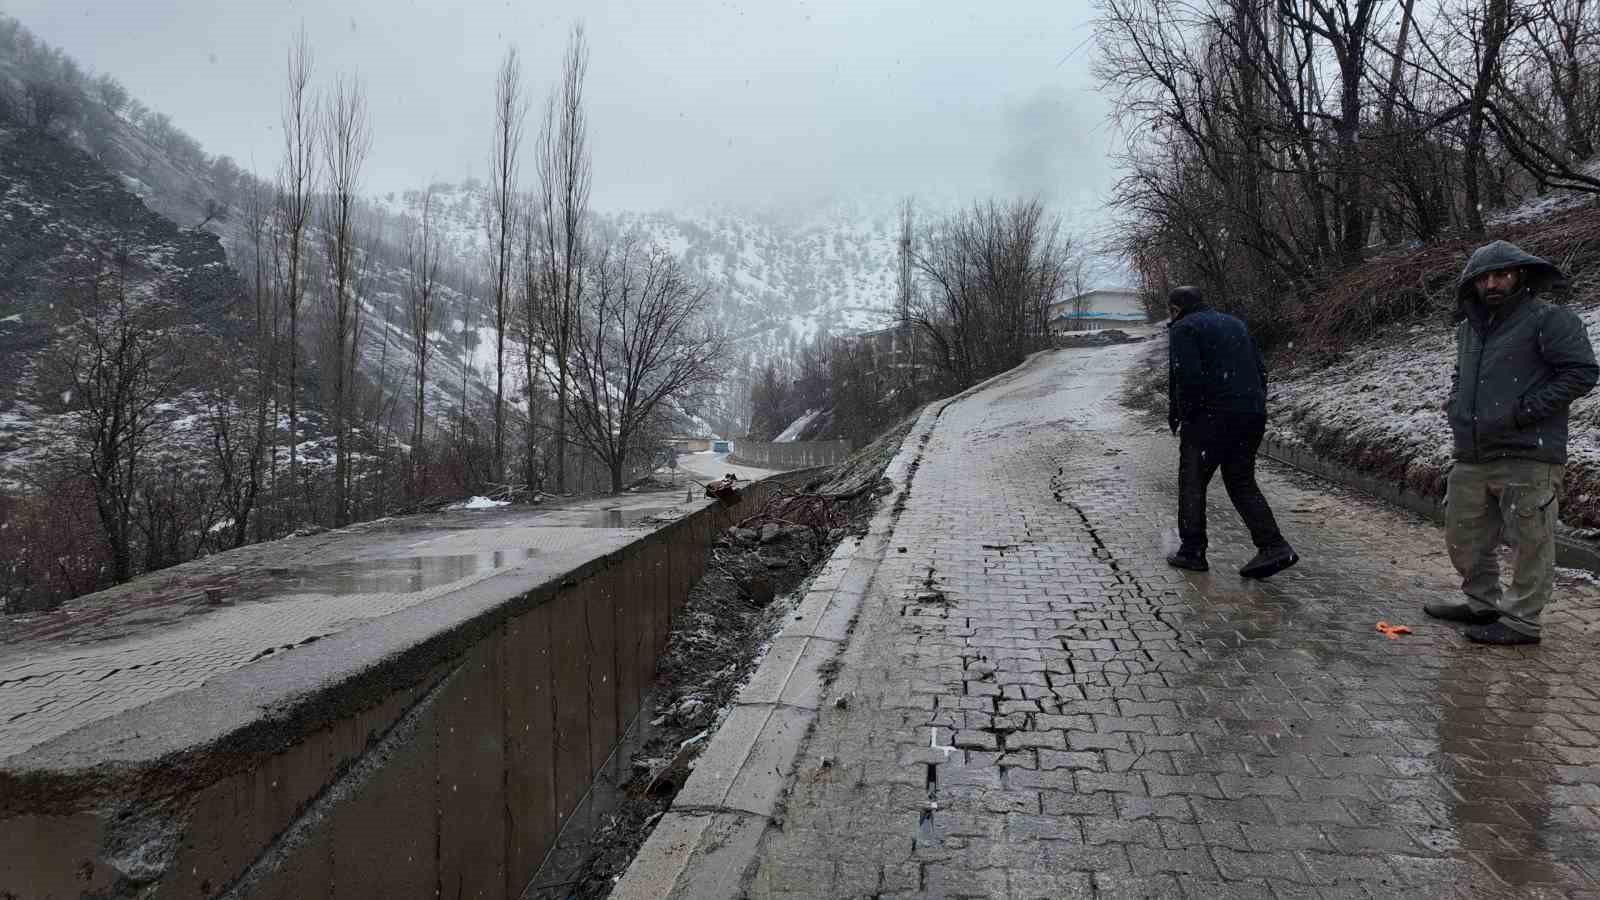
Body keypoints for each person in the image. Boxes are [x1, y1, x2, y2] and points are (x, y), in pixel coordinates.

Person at [1428, 240, 1598, 645]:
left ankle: (1522, 621)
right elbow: (1461, 375)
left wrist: (1523, 412)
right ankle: (1481, 603)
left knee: (1530, 541)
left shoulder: (1548, 319)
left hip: (1528, 452)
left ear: (1520, 275)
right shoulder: (1469, 327)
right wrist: (1456, 404)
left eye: (1501, 274)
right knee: (1463, 535)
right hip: (1472, 451)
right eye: (1484, 276)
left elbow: (1581, 372)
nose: (1493, 283)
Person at [1166, 286, 1298, 577]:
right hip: (1250, 414)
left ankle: (1192, 552)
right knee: (1241, 481)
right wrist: (1252, 403)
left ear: (1176, 308)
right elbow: (1261, 369)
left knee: (1192, 483)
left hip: (1210, 417)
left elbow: (1187, 376)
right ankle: (1273, 545)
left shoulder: (1184, 328)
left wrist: (1186, 416)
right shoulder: (1235, 323)